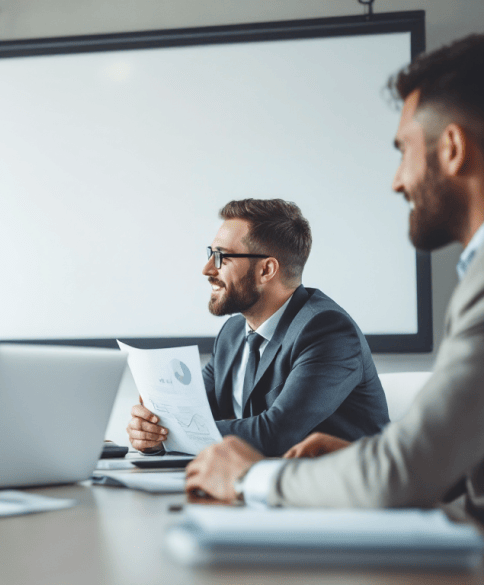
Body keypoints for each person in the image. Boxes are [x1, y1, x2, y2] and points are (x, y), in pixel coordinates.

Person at [184, 34, 484, 519]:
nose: (397, 181)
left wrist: (246, 478)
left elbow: (404, 469)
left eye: (403, 151)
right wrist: (357, 457)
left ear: (451, 149)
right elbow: (448, 463)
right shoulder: (232, 335)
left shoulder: (325, 327)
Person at [127, 199, 389, 457]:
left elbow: (276, 434)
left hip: (336, 482)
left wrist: (173, 434)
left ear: (266, 270)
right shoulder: (232, 334)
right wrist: (153, 431)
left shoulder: (327, 331)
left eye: (221, 257)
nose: (207, 269)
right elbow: (191, 414)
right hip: (255, 478)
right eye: (210, 254)